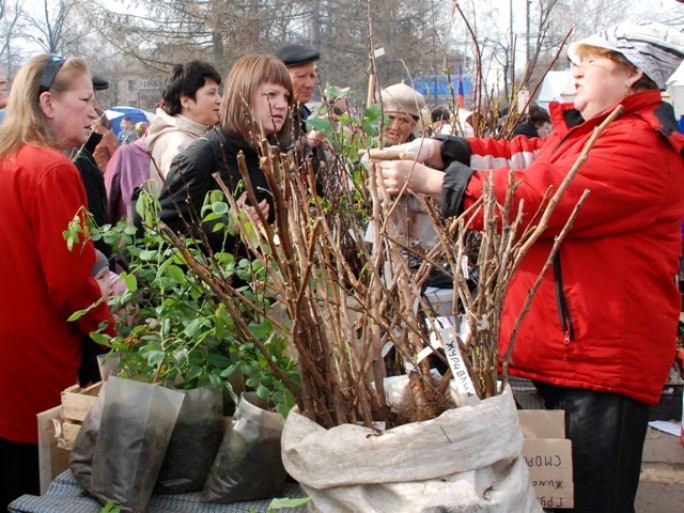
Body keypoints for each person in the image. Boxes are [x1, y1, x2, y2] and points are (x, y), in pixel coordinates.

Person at [369, 21, 684, 513]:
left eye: (590, 64)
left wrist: (434, 182)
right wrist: (444, 148)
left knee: (593, 500)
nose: (574, 73)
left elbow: (539, 199)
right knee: (556, 496)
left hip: (601, 361)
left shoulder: (639, 146)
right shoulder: (587, 134)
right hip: (562, 349)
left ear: (632, 75)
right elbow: (520, 160)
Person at [0, 54, 114, 510]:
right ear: (47, 103)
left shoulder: (9, 161)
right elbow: (69, 287)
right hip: (41, 359)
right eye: (85, 99)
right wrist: (111, 329)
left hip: (9, 353)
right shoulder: (53, 170)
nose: (95, 112)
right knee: (43, 486)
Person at [152, 53, 293, 253]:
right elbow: (165, 234)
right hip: (222, 281)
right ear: (243, 95)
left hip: (271, 280)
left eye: (286, 96)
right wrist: (228, 226)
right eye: (270, 95)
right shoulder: (200, 157)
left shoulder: (277, 153)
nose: (281, 104)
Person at [145, 60, 222, 195]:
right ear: (186, 101)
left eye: (218, 92)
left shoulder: (192, 135)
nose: (219, 100)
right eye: (211, 93)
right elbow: (184, 208)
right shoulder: (178, 144)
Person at [274, 43, 329, 195]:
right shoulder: (271, 119)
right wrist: (309, 141)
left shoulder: (304, 113)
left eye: (312, 76)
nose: (310, 84)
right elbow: (276, 168)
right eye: (301, 76)